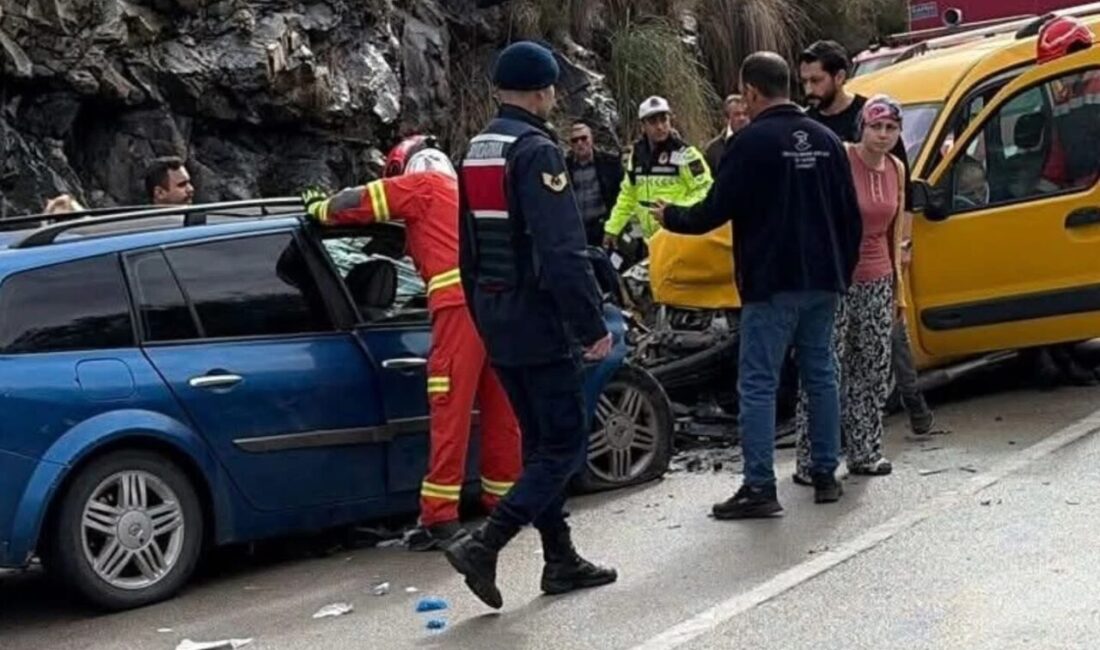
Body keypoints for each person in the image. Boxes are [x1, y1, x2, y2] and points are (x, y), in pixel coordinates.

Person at [652, 52, 862, 517]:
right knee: (821, 374)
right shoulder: (828, 141)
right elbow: (851, 216)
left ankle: (760, 487)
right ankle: (826, 473)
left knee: (759, 383)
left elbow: (713, 211)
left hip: (772, 282)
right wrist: (841, 272)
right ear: (788, 84)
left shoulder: (748, 144)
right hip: (823, 280)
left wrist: (671, 218)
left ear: (750, 92)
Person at [446, 40, 617, 609]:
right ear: (543, 92)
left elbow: (466, 250)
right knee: (564, 445)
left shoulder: (475, 151)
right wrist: (591, 324)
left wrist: (482, 314)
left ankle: (561, 559)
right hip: (538, 320)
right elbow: (562, 250)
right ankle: (486, 545)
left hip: (496, 317)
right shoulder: (536, 152)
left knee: (540, 443)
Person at [301, 136, 523, 550]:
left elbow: (357, 201)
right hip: (496, 307)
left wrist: (320, 208)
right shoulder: (464, 193)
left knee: (449, 408)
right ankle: (505, 503)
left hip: (458, 311)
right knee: (500, 407)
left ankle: (440, 517)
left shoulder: (422, 189)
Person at [801, 39, 936, 437]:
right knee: (833, 348)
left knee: (888, 338)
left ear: (839, 77)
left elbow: (903, 188)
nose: (808, 88)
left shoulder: (875, 117)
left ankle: (915, 405)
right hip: (830, 259)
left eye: (816, 79)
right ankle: (834, 429)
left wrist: (904, 246)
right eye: (804, 80)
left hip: (878, 253)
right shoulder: (811, 127)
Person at [794, 96, 908, 482]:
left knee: (872, 366)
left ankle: (866, 450)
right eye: (876, 126)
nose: (883, 134)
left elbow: (897, 234)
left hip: (877, 278)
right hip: (836, 279)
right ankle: (812, 458)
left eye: (891, 128)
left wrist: (898, 291)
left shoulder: (896, 168)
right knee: (826, 367)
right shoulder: (841, 157)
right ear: (862, 126)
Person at [602, 96, 712, 248]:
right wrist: (613, 228)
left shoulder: (685, 153)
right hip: (650, 241)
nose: (660, 126)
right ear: (643, 126)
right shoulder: (637, 155)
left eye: (663, 120)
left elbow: (705, 190)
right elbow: (628, 194)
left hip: (678, 236)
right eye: (653, 122)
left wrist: (673, 211)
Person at [566, 122, 624, 246]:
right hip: (575, 231)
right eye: (575, 140)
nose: (580, 143)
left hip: (602, 228)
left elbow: (623, 196)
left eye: (583, 138)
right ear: (570, 144)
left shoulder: (610, 164)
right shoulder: (564, 167)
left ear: (591, 139)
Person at [704, 94, 750, 172]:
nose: (742, 118)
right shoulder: (713, 149)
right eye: (737, 114)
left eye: (745, 114)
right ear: (726, 118)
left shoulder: (760, 142)